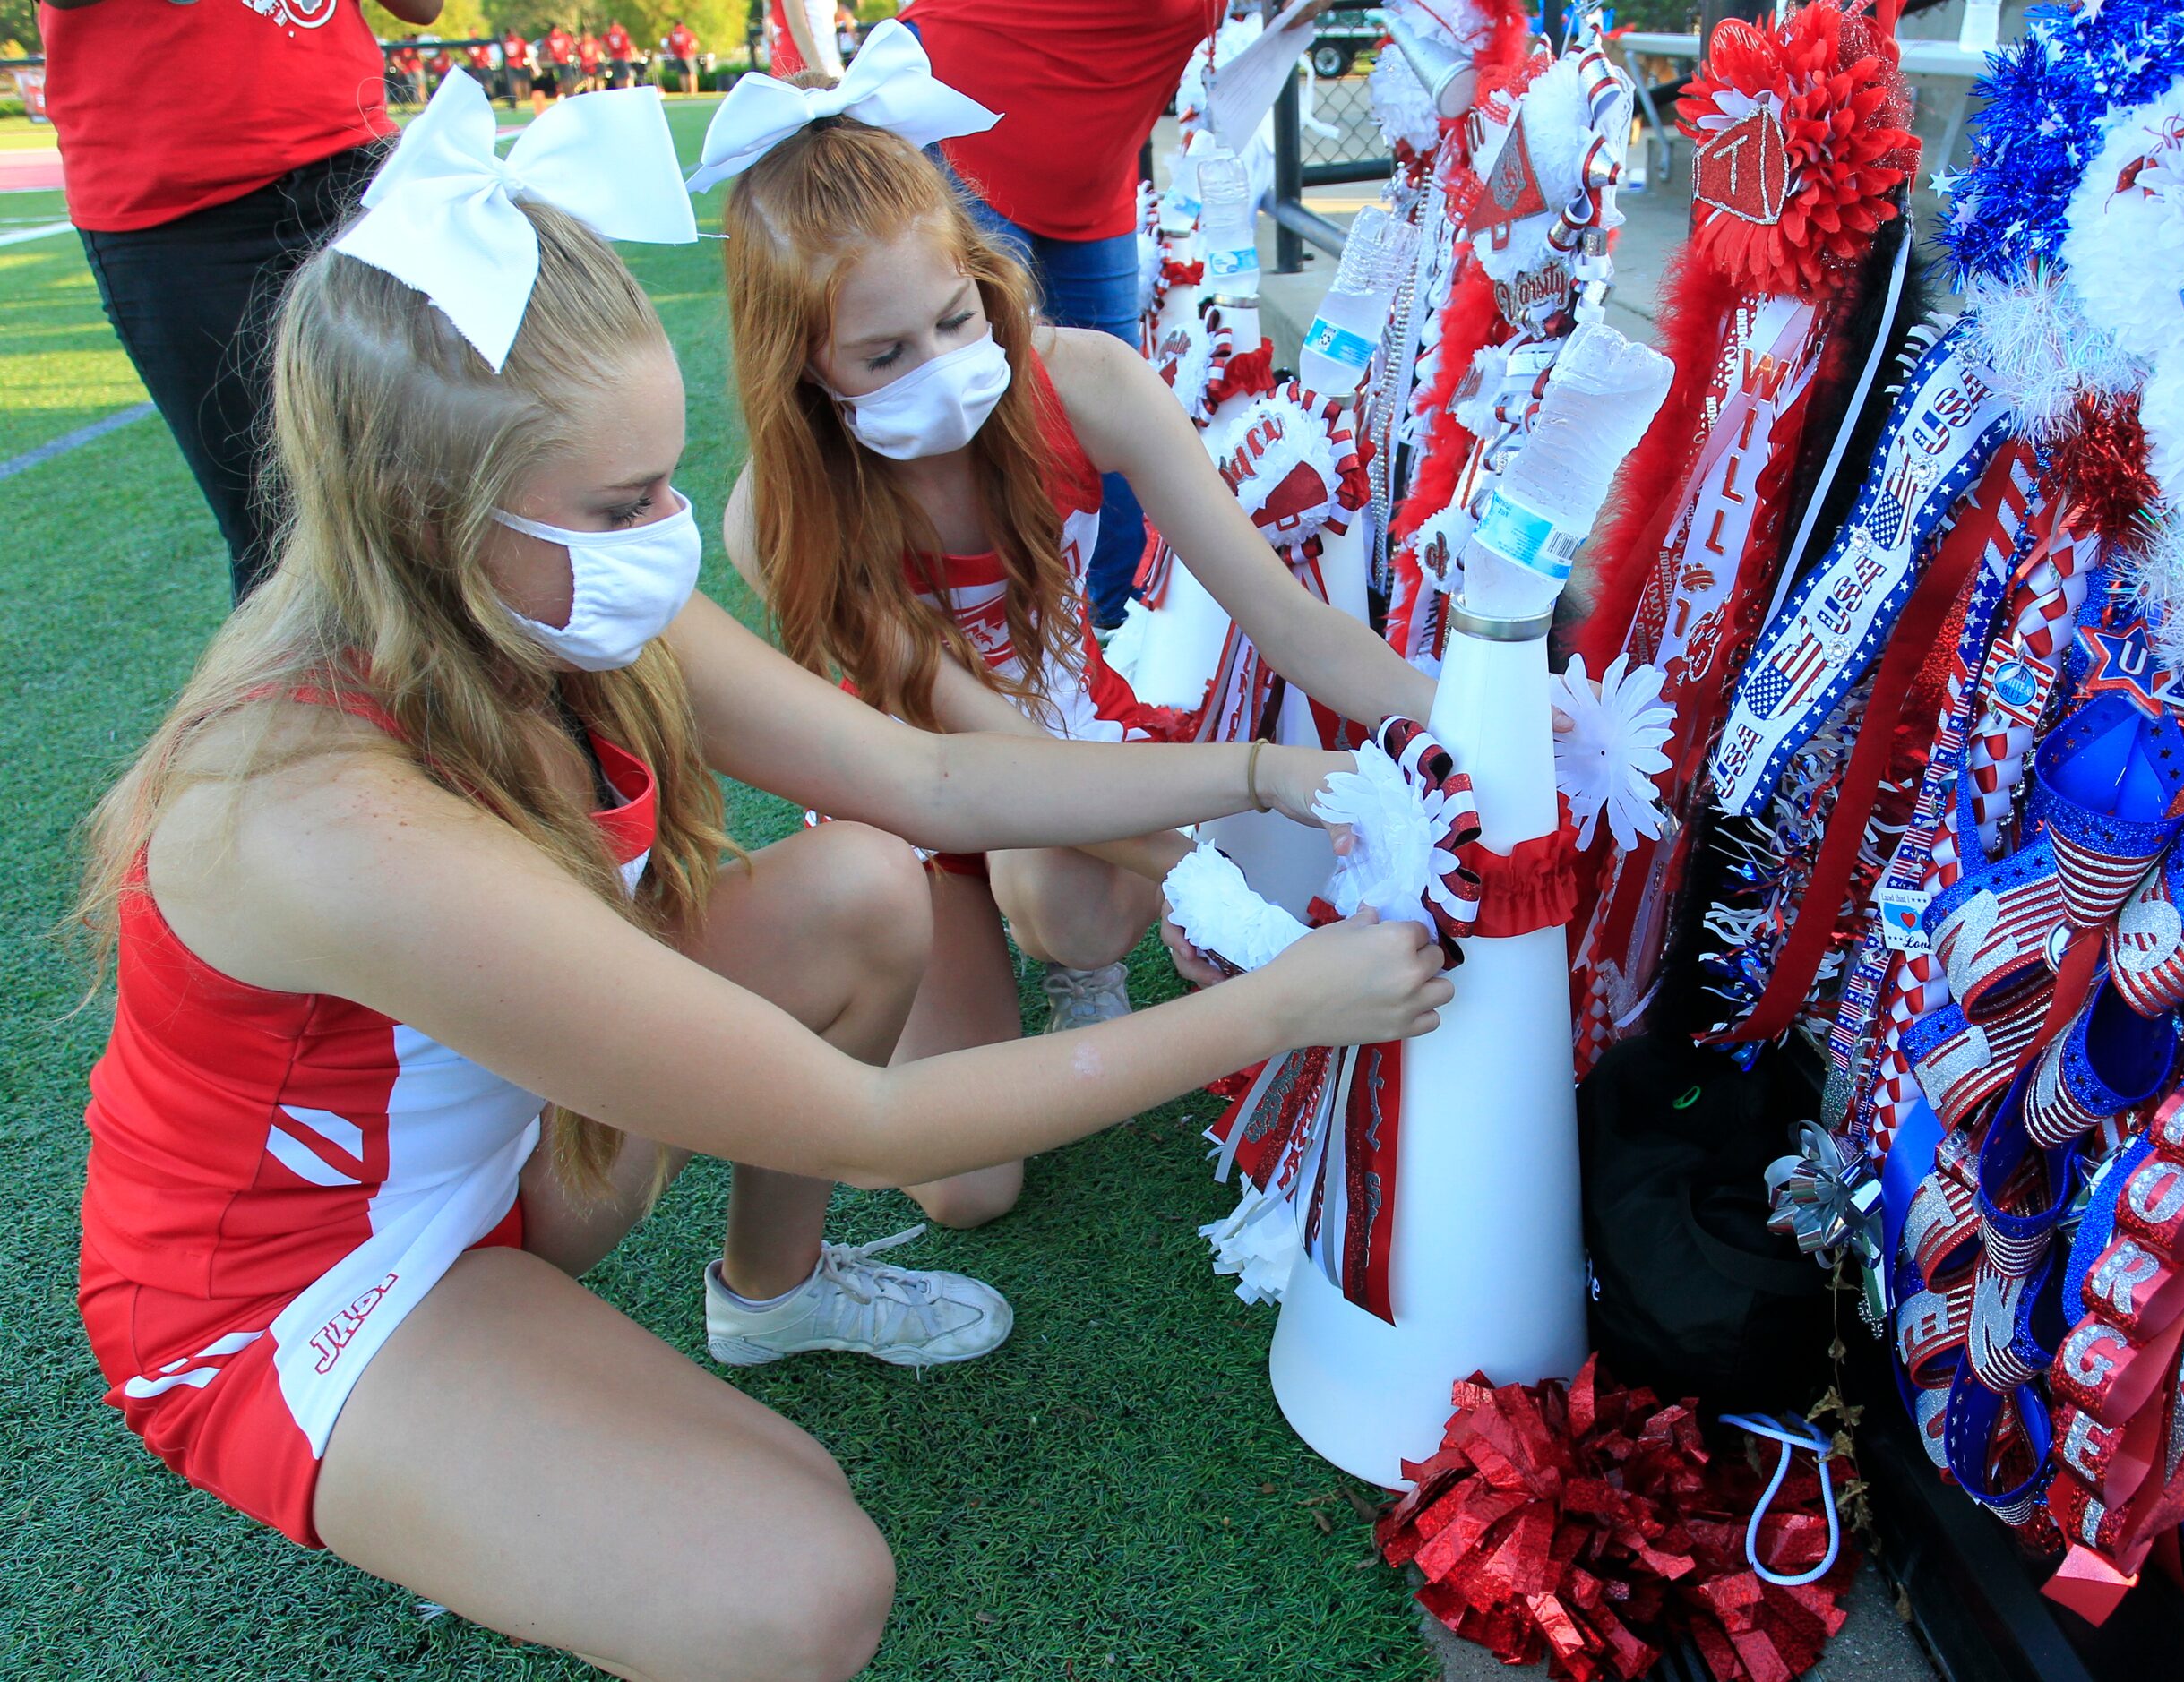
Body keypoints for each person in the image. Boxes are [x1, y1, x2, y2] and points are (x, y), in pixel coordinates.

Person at [73, 79, 1445, 1678]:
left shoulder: (536, 588)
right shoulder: (314, 813)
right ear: (426, 512)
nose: (671, 534)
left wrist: (1267, 773)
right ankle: (442, 1456)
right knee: (800, 1584)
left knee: (864, 885)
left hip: (505, 1151)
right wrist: (1288, 999)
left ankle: (764, 1296)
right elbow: (862, 1121)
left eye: (663, 478)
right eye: (618, 500)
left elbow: (926, 780)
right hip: (298, 1283)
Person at [698, 39, 1442, 1231]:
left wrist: (1455, 725)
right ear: (802, 374)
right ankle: (876, 988)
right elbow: (967, 759)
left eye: (953, 318)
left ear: (984, 275)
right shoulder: (778, 515)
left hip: (1067, 747)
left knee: (1075, 909)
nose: (941, 370)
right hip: (914, 802)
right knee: (964, 1191)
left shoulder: (1086, 380)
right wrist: (1206, 885)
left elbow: (1289, 618)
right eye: (883, 356)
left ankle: (1076, 965)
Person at [36, 0, 439, 601]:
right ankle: (303, 698)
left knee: (444, 485)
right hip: (173, 205)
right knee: (279, 534)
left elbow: (420, 8)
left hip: (353, 162)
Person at [897, 0, 1276, 630]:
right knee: (983, 401)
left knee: (1115, 401)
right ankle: (983, 633)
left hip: (1093, 174)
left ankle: (1117, 625)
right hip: (972, 124)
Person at [666, 19, 701, 94]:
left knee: (682, 75)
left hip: (678, 56)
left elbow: (668, 45)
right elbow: (694, 43)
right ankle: (693, 92)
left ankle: (685, 92)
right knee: (692, 74)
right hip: (688, 55)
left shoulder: (672, 34)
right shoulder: (687, 32)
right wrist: (693, 51)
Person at [501, 27, 531, 108]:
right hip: (520, 62)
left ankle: (518, 97)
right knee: (523, 81)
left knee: (515, 82)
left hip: (510, 63)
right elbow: (524, 51)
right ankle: (526, 96)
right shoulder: (519, 41)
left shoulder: (504, 42)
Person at [602, 16, 635, 89]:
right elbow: (628, 42)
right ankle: (628, 91)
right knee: (626, 77)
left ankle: (620, 92)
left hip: (614, 58)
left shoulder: (608, 32)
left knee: (618, 78)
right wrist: (632, 53)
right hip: (623, 56)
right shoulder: (621, 31)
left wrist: (608, 52)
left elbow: (603, 43)